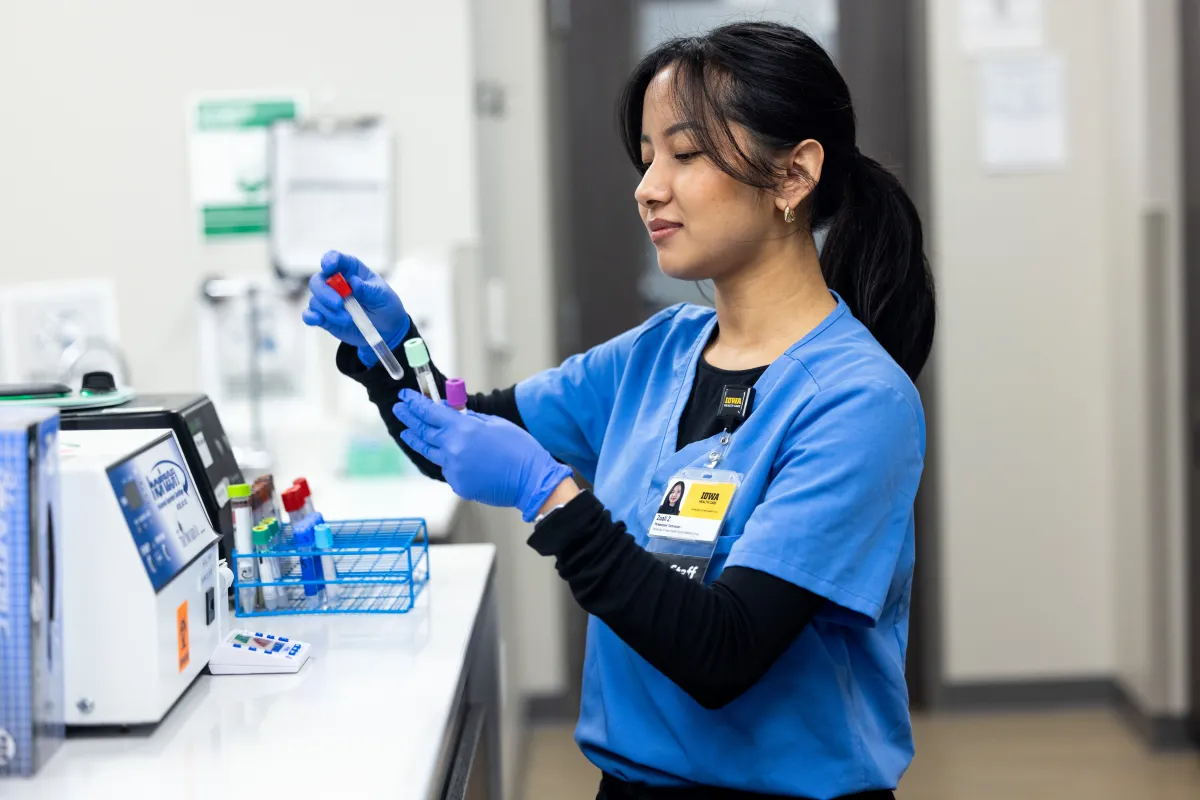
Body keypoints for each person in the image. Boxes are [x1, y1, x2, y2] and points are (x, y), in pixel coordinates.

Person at [303, 21, 933, 800]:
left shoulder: (858, 402)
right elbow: (462, 440)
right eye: (646, 158)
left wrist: (552, 497)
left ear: (795, 174)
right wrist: (391, 351)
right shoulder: (660, 352)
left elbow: (724, 651)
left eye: (687, 153)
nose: (648, 187)